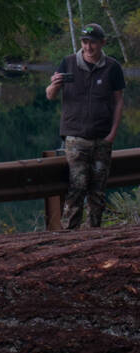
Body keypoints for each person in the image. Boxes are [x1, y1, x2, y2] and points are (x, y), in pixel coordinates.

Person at [45, 23, 126, 229]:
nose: (88, 47)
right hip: (75, 137)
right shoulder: (68, 63)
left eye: (93, 43)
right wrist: (54, 85)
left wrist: (112, 134)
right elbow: (50, 95)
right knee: (78, 186)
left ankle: (93, 235)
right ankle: (70, 235)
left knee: (98, 190)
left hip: (102, 138)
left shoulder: (112, 67)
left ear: (102, 43)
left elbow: (118, 101)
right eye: (85, 42)